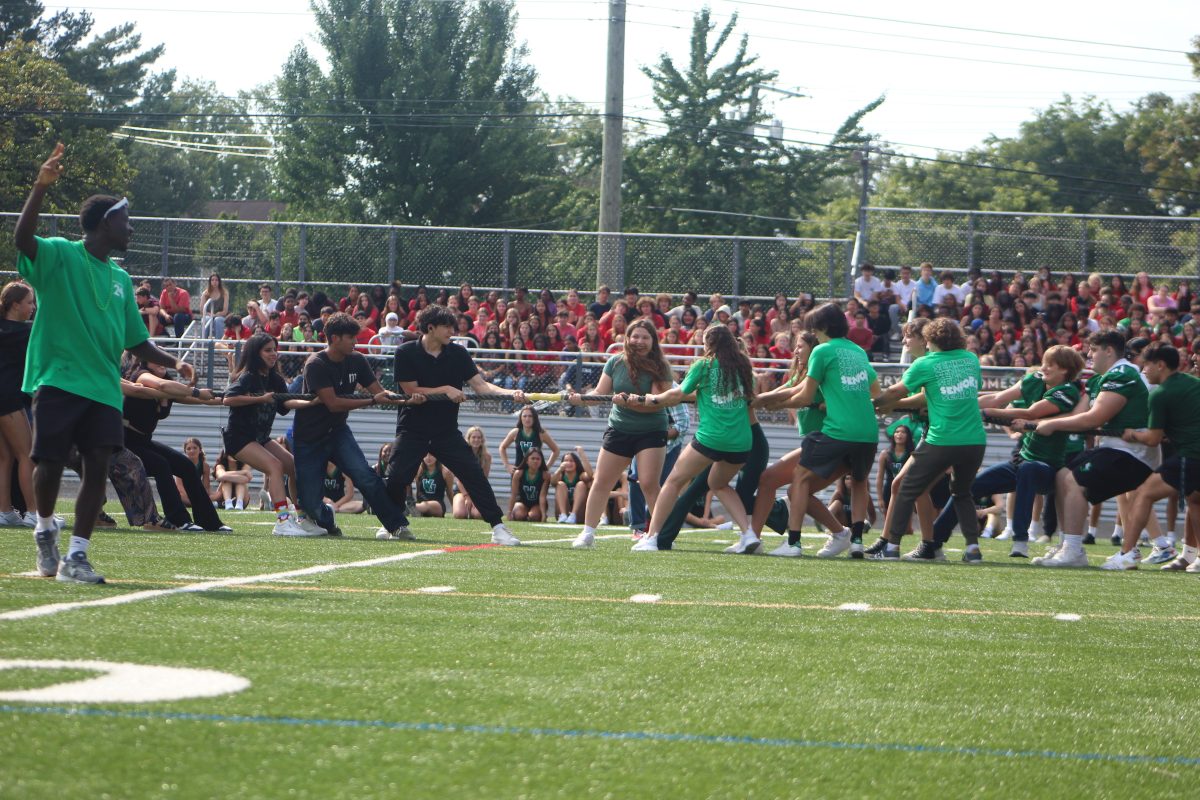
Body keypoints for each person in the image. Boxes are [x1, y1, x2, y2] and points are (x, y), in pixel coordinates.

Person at [14, 143, 195, 584]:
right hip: (58, 378)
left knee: (99, 466)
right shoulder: (60, 254)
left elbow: (137, 340)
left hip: (102, 385)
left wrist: (175, 363)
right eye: (125, 221)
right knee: (51, 463)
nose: (131, 229)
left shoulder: (119, 279)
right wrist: (40, 187)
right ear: (102, 224)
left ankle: (77, 555)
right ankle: (44, 530)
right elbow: (21, 241)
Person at [385, 304, 527, 545]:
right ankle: (394, 524)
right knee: (397, 476)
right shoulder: (405, 353)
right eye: (447, 326)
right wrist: (445, 390)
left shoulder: (458, 354)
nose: (453, 330)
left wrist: (509, 392)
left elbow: (482, 386)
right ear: (430, 328)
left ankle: (498, 527)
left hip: (445, 431)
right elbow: (409, 390)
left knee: (474, 475)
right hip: (413, 428)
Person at [935, 345, 1086, 558]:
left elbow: (1031, 413)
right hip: (1022, 461)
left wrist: (982, 413)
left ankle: (1021, 541)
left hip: (1048, 466)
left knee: (1029, 470)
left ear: (1065, 370)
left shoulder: (1068, 392)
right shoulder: (1034, 380)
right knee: (969, 486)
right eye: (1044, 362)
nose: (1044, 368)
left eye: (1050, 364)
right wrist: (960, 405)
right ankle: (934, 540)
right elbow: (998, 398)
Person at [1029, 331, 1160, 569]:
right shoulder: (1101, 379)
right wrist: (1032, 420)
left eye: (1093, 349)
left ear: (1108, 351)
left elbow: (1094, 418)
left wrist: (1051, 424)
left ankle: (1073, 549)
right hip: (1115, 449)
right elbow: (1078, 415)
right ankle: (1067, 544)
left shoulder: (1123, 374)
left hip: (1133, 452)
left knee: (1075, 481)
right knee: (1061, 476)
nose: (1089, 355)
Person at [292, 312, 424, 540]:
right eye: (351, 337)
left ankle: (396, 526)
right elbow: (332, 403)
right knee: (312, 503)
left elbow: (380, 391)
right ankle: (326, 517)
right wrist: (373, 401)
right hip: (309, 436)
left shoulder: (357, 360)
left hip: (337, 432)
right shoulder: (315, 364)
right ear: (334, 338)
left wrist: (406, 399)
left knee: (366, 476)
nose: (356, 341)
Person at [631, 325, 756, 552]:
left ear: (708, 344)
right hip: (741, 441)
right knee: (718, 484)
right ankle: (748, 535)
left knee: (673, 482)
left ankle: (652, 537)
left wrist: (652, 399)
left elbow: (679, 394)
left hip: (711, 437)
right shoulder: (744, 365)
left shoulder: (705, 364)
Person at [874, 318, 988, 563]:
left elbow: (895, 392)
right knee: (962, 493)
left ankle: (892, 547)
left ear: (929, 340)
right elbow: (962, 390)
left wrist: (874, 404)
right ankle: (972, 550)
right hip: (975, 440)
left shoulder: (925, 363)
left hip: (943, 438)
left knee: (906, 489)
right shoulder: (970, 360)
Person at [784, 303, 882, 559]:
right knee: (859, 481)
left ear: (823, 327)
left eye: (814, 327)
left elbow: (804, 396)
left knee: (800, 479)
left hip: (838, 430)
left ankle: (793, 543)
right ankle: (857, 541)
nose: (812, 332)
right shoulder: (859, 352)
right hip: (868, 431)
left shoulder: (822, 351)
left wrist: (773, 402)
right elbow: (876, 392)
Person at [567, 319, 674, 549]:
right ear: (627, 338)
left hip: (651, 430)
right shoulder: (615, 362)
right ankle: (587, 533)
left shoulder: (660, 366)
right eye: (635, 336)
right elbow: (600, 392)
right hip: (619, 428)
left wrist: (630, 401)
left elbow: (656, 403)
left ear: (653, 341)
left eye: (645, 337)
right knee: (601, 481)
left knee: (648, 483)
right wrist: (582, 399)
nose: (640, 341)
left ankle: (656, 536)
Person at [1107, 343, 1200, 570]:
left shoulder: (1160, 394)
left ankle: (1127, 554)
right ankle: (1191, 556)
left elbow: (1152, 439)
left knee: (1143, 493)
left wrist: (1133, 435)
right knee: (1195, 501)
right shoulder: (1194, 383)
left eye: (1146, 365)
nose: (1143, 370)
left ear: (1160, 365)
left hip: (1192, 455)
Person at [221, 332, 316, 537]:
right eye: (268, 350)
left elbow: (286, 403)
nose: (274, 354)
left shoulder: (275, 379)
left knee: (293, 466)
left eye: (275, 349)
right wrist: (258, 399)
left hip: (261, 438)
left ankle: (301, 517)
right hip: (239, 438)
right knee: (275, 466)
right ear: (256, 353)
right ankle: (282, 521)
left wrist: (312, 402)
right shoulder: (247, 377)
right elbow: (228, 399)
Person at [121, 355, 230, 532]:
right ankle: (179, 520)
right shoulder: (141, 376)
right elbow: (164, 387)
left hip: (143, 441)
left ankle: (210, 523)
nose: (162, 362)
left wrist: (223, 399)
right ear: (145, 361)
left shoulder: (169, 383)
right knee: (161, 465)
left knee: (186, 466)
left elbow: (190, 398)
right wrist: (196, 391)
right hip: (126, 441)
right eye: (157, 358)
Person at [0, 281, 35, 527]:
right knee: (27, 454)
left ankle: (5, 512)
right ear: (15, 305)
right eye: (30, 302)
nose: (33, 307)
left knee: (5, 457)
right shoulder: (25, 332)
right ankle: (34, 512)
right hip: (9, 398)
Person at [498, 406, 560, 474]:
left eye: (530, 416)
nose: (527, 419)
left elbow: (556, 450)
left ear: (534, 418)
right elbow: (502, 447)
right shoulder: (515, 432)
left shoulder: (541, 433)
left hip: (536, 474)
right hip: (519, 473)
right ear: (521, 418)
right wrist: (507, 465)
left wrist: (546, 467)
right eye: (524, 416)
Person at [452, 426, 492, 520]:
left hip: (477, 491)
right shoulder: (462, 454)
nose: (476, 440)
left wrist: (478, 496)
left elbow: (484, 479)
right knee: (460, 514)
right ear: (468, 439)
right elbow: (458, 479)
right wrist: (467, 496)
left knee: (479, 515)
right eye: (473, 437)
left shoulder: (487, 457)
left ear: (482, 440)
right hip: (461, 490)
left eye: (479, 437)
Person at [508, 448, 550, 522]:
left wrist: (543, 514)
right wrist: (509, 512)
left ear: (541, 461)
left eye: (538, 459)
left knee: (534, 516)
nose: (535, 461)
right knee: (519, 515)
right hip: (522, 501)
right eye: (532, 458)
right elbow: (513, 494)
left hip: (537, 503)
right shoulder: (519, 473)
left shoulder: (545, 475)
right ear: (527, 460)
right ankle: (524, 514)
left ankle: (532, 514)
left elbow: (542, 496)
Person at [554, 449, 592, 524]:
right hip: (564, 510)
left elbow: (590, 474)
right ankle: (563, 515)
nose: (568, 463)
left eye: (571, 461)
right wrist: (559, 470)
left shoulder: (581, 475)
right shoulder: (561, 476)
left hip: (579, 513)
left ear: (577, 463)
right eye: (566, 461)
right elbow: (552, 482)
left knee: (581, 484)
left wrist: (582, 454)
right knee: (560, 484)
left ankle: (573, 515)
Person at [176, 437, 216, 506]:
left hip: (197, 491)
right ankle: (200, 504)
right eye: (189, 449)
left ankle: (199, 503)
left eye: (195, 448)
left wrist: (202, 496)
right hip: (184, 493)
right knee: (178, 495)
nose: (192, 451)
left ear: (200, 450)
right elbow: (180, 487)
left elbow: (206, 487)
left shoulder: (205, 466)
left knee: (219, 494)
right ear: (185, 451)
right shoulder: (180, 464)